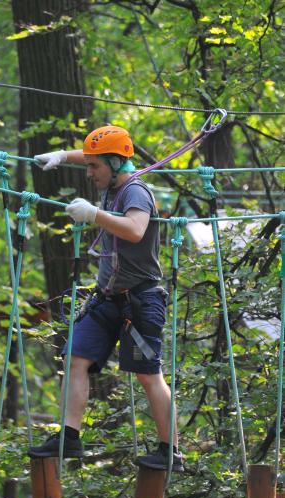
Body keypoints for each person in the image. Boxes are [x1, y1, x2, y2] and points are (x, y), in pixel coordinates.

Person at [28, 125, 183, 471]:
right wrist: (62, 157)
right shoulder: (113, 178)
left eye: (94, 167)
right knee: (75, 359)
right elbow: (97, 157)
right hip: (107, 299)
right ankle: (69, 436)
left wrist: (93, 215)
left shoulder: (135, 192)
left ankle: (171, 450)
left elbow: (135, 229)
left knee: (148, 376)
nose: (89, 172)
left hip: (140, 301)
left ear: (115, 164)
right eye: (88, 165)